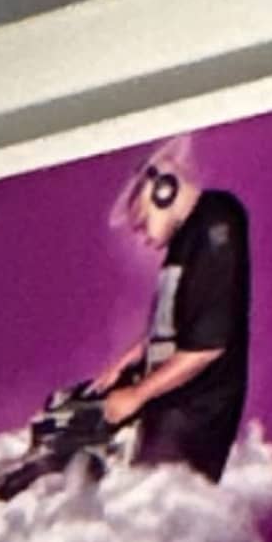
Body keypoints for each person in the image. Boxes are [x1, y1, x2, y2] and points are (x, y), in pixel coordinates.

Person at [92, 147, 250, 480]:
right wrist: (131, 360)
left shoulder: (216, 224)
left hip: (193, 420)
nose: (142, 237)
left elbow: (206, 346)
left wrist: (137, 394)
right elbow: (175, 326)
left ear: (164, 191)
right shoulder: (183, 241)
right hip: (167, 407)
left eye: (142, 222)